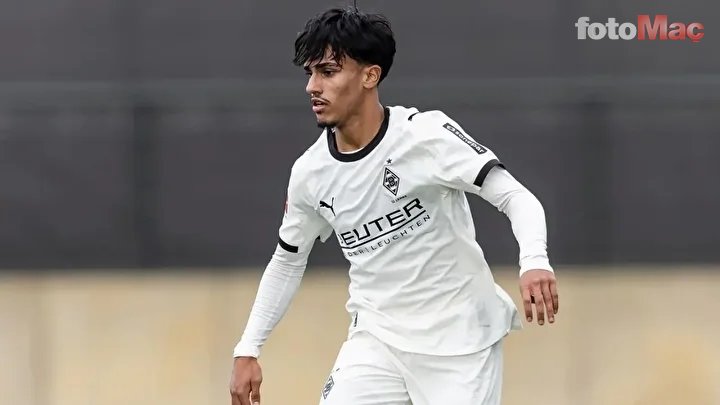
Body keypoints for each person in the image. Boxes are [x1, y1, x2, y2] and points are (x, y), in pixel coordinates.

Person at [229, 7, 559, 405]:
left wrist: (534, 260)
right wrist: (248, 347)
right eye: (310, 73)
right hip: (376, 342)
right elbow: (287, 261)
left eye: (328, 72)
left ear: (370, 76)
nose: (312, 86)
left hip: (461, 344)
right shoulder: (310, 173)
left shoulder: (425, 136)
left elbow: (514, 196)